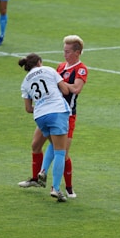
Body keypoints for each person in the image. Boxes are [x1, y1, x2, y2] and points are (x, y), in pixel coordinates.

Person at [18, 35, 88, 198]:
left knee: (62, 151)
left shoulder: (81, 68)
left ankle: (64, 187)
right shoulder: (59, 67)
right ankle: (37, 177)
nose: (64, 54)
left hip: (66, 113)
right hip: (52, 110)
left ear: (77, 52)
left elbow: (76, 89)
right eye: (64, 51)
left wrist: (59, 85)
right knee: (37, 145)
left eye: (68, 51)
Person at [19, 53, 72, 202]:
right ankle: (56, 188)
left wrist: (42, 104)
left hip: (40, 116)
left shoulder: (25, 82)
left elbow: (28, 109)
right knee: (61, 152)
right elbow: (65, 91)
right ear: (40, 62)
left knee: (53, 145)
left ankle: (42, 171)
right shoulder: (49, 70)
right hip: (57, 111)